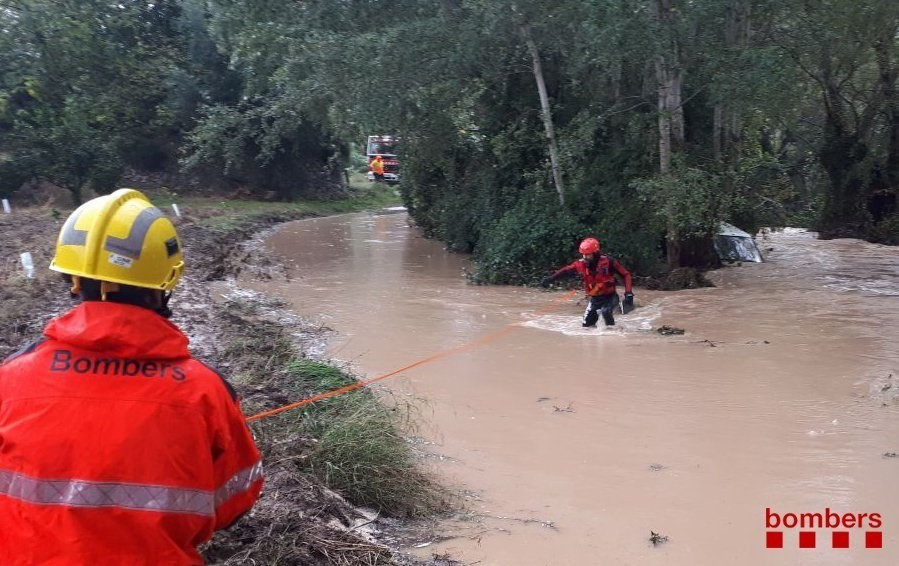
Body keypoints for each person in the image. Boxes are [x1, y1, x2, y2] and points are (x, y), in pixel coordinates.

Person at [0, 189, 263, 564]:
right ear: (166, 281)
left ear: (73, 279)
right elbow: (235, 501)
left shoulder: (10, 378)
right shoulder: (204, 391)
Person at [540, 237, 634, 327]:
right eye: (583, 254)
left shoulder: (609, 262)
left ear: (595, 253)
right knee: (586, 326)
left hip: (610, 297)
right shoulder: (581, 264)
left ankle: (614, 333)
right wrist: (551, 279)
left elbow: (626, 275)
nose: (585, 257)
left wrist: (628, 293)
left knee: (606, 312)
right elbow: (565, 271)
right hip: (595, 299)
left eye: (588, 254)